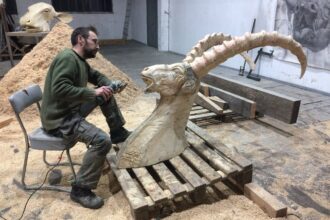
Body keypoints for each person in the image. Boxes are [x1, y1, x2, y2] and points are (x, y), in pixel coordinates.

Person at [40, 26, 130, 209]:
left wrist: (109, 85)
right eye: (94, 41)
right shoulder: (67, 58)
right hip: (60, 120)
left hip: (69, 111)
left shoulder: (79, 60)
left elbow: (95, 76)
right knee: (101, 141)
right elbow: (59, 89)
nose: (98, 46)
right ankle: (80, 189)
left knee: (105, 93)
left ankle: (118, 132)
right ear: (81, 40)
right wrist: (93, 92)